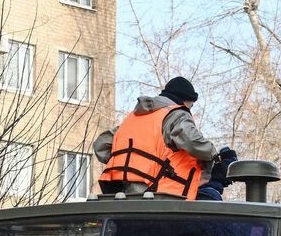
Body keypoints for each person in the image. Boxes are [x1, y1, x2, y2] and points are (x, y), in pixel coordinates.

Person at [93, 76, 223, 199]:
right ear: (186, 100)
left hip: (123, 194)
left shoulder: (132, 119)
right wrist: (215, 156)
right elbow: (194, 142)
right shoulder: (177, 115)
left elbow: (101, 146)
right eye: (191, 105)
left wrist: (130, 164)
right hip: (157, 194)